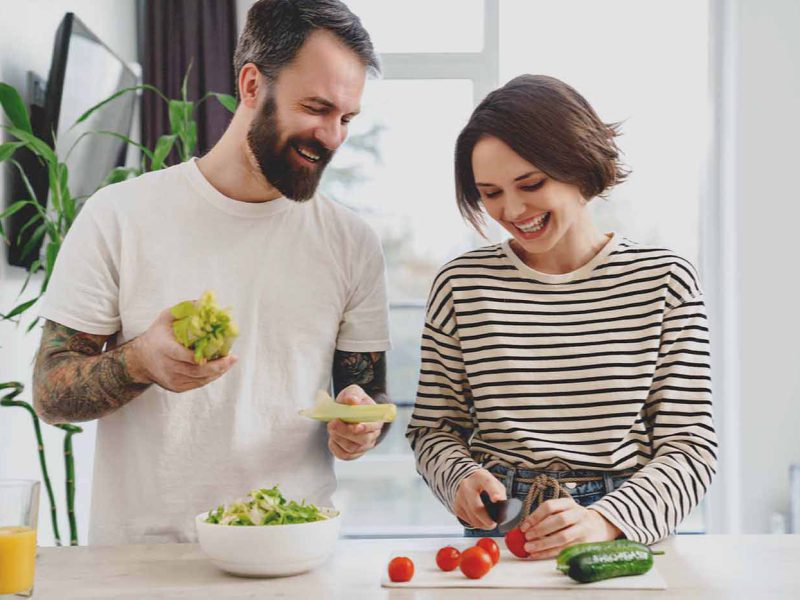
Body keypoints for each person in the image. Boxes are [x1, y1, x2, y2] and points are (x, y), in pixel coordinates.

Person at [32, 0, 392, 545]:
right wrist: (139, 361)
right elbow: (49, 392)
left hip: (290, 551)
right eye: (316, 108)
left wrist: (362, 427)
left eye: (346, 118)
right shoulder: (119, 215)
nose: (333, 136)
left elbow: (365, 394)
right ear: (251, 85)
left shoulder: (352, 243)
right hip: (144, 563)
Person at [406, 74, 717, 555]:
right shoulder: (462, 285)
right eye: (489, 193)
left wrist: (604, 520)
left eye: (530, 183)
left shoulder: (664, 280)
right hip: (501, 527)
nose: (511, 209)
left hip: (621, 528)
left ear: (579, 165)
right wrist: (460, 478)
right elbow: (433, 428)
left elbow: (691, 447)